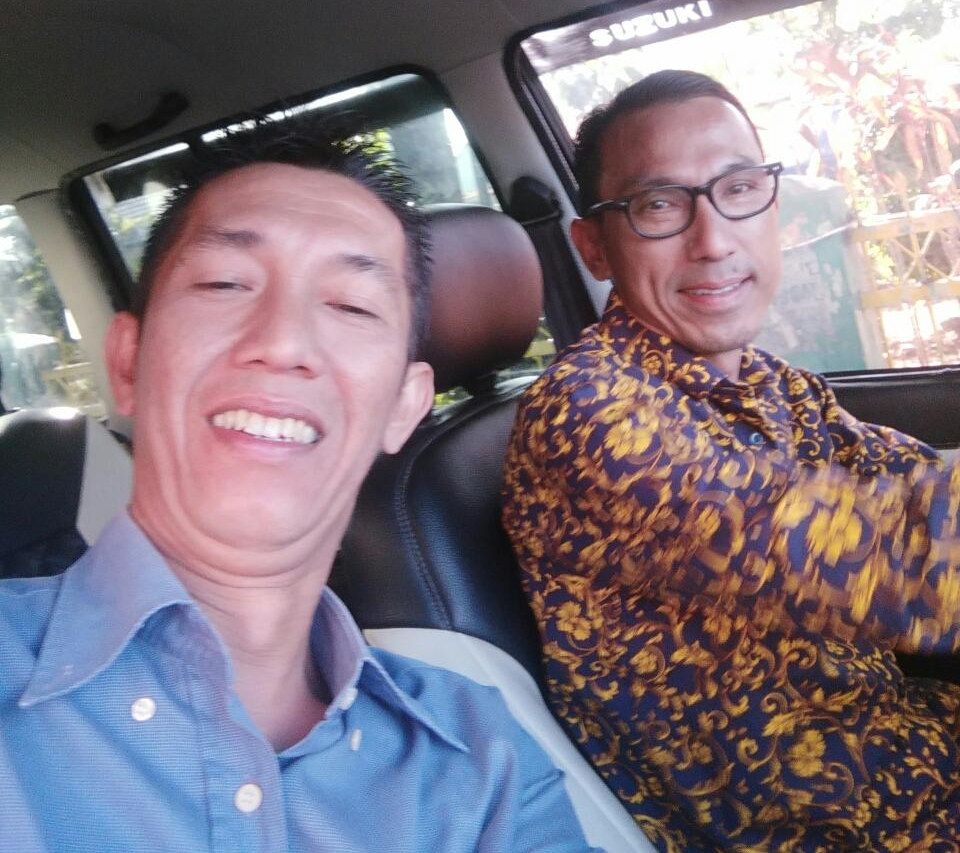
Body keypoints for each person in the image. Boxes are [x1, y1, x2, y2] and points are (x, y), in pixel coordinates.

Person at [0, 123, 596, 853]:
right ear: (127, 362)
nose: (282, 342)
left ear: (404, 406)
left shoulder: (482, 758)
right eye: (224, 284)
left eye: (352, 306)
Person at [502, 69, 960, 853]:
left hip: (916, 751)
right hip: (850, 826)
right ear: (594, 247)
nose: (713, 240)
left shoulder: (776, 386)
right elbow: (901, 554)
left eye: (739, 189)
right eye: (658, 205)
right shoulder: (586, 412)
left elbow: (913, 484)